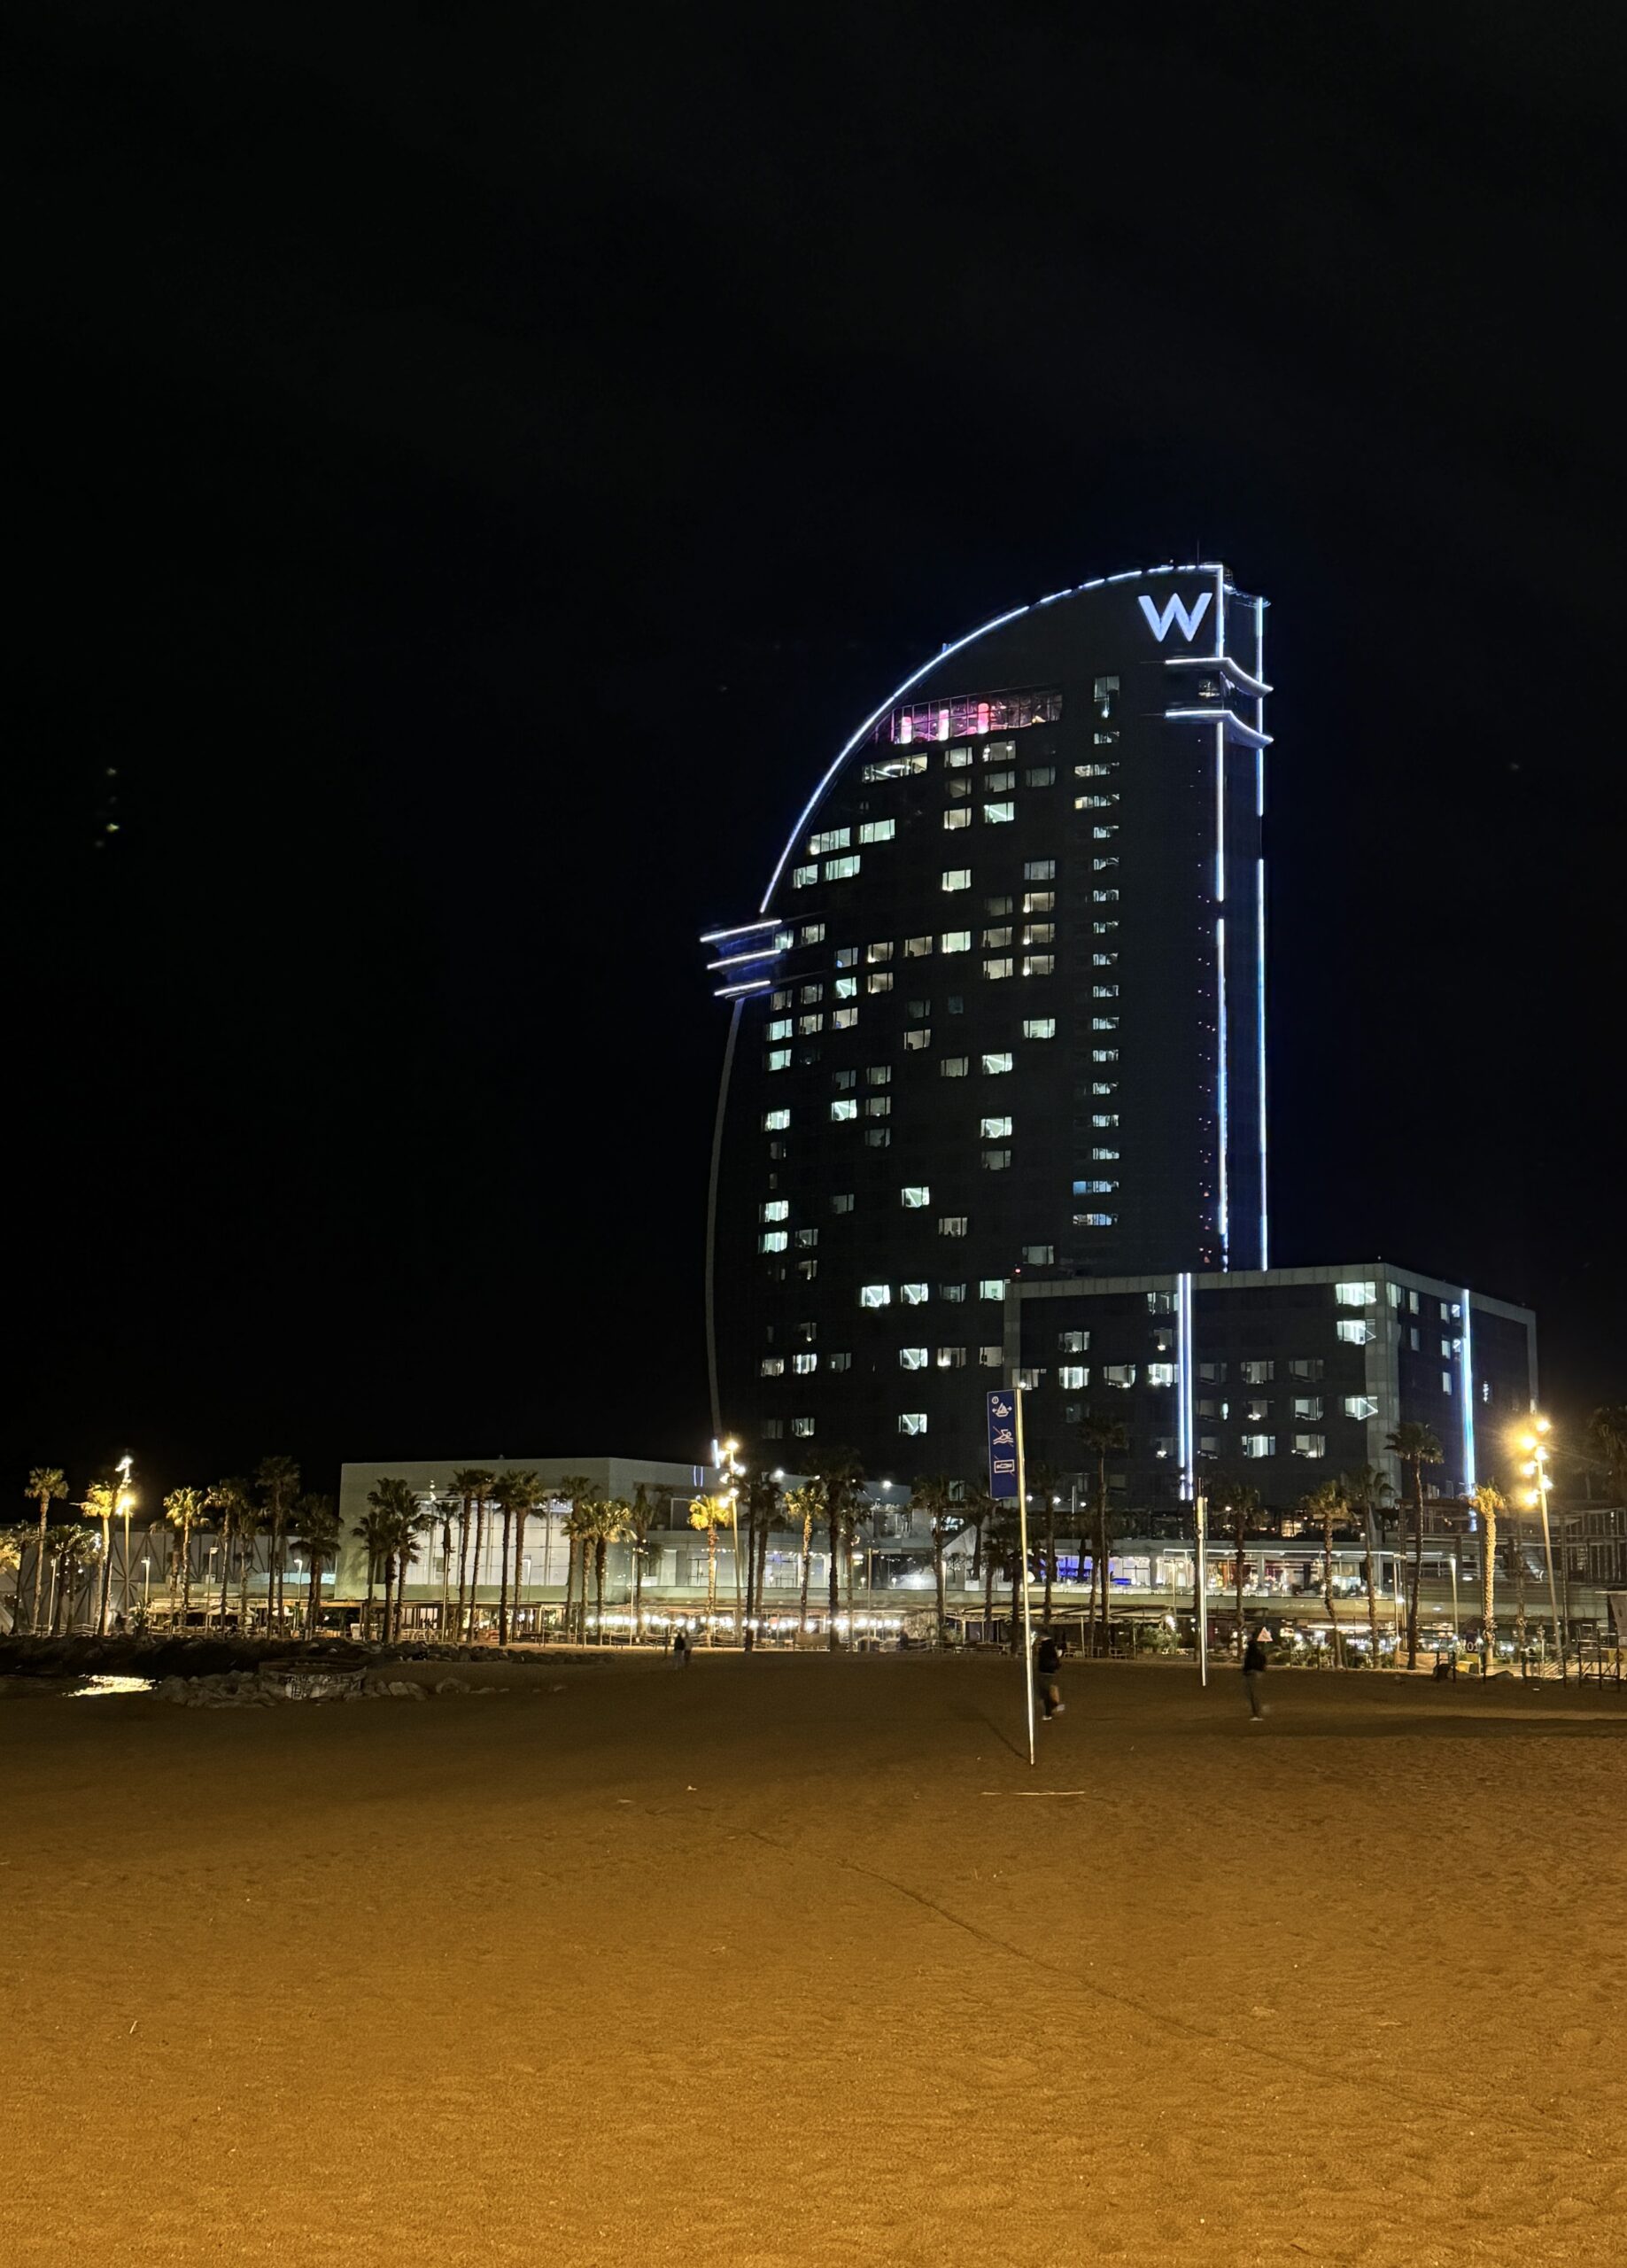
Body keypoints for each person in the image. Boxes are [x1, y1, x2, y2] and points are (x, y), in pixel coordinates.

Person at [1034, 1627, 1065, 1720]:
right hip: (1048, 1672)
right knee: (1045, 1693)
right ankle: (1052, 1708)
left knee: (1044, 1693)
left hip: (1045, 1672)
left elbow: (1047, 1660)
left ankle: (1050, 1712)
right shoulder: (1050, 1646)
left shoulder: (1046, 1646)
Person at [1243, 1624, 1269, 1720]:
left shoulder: (1250, 1654)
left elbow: (1247, 1664)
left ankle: (1256, 1713)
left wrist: (1245, 1671)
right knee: (1255, 1694)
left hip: (1251, 1674)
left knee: (1253, 1694)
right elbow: (1264, 1662)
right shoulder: (1260, 1653)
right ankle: (1257, 1712)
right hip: (1258, 1673)